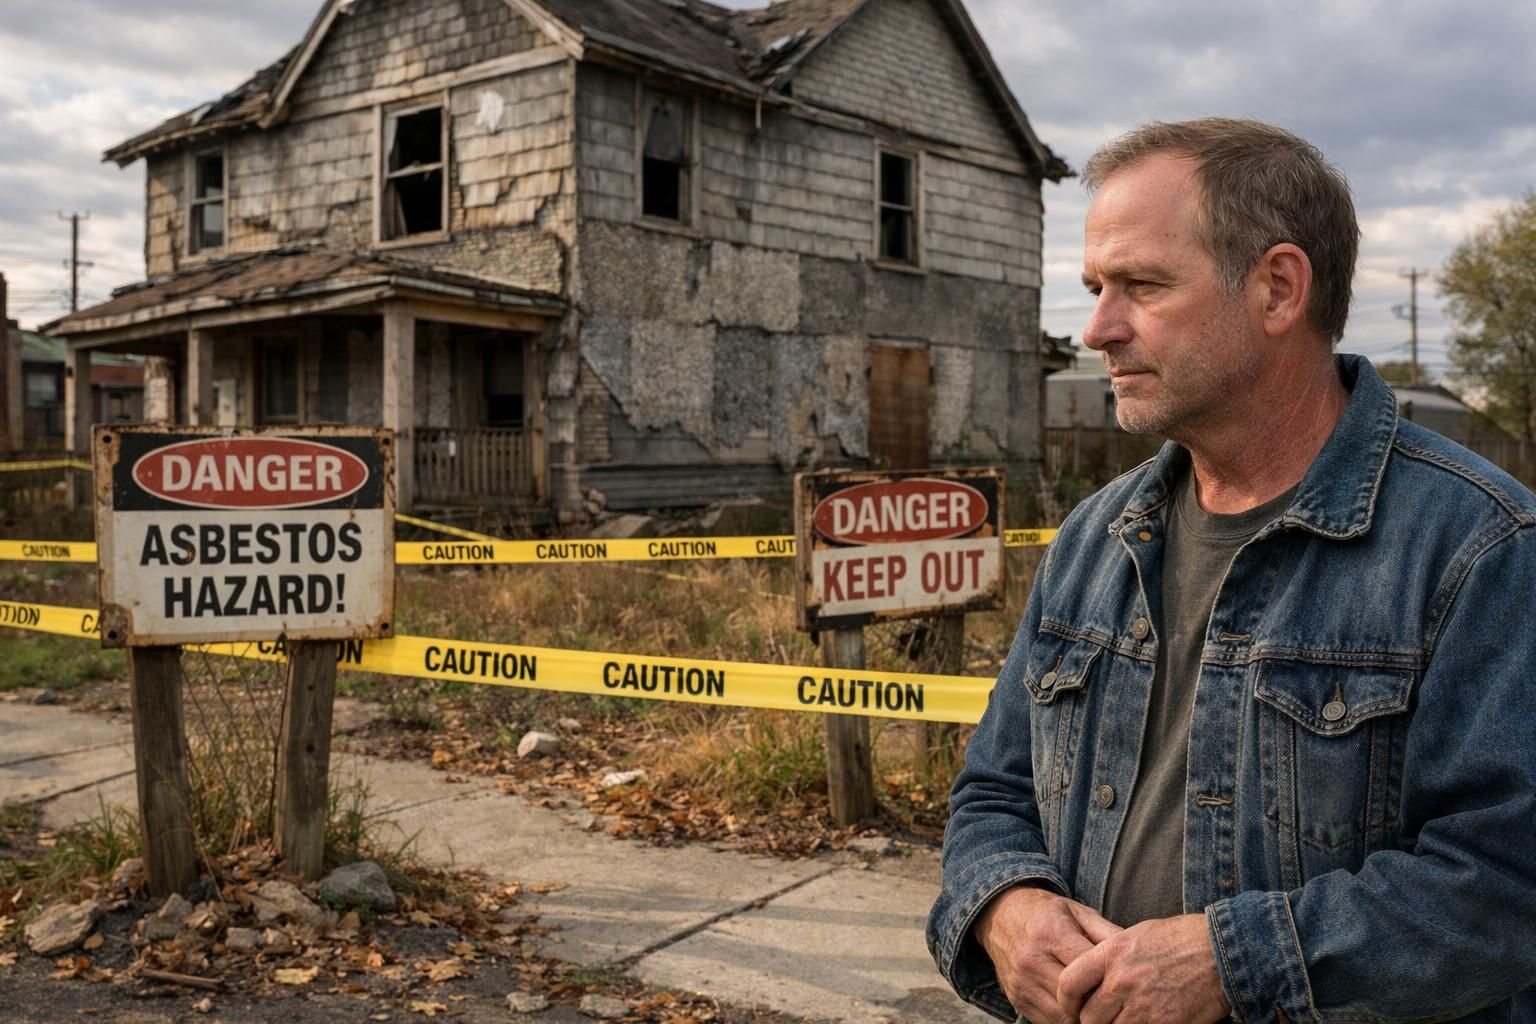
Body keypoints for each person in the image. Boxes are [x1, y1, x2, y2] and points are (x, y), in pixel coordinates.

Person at [928, 117, 1536, 1024]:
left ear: (1278, 289)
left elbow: (1504, 883)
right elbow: (995, 789)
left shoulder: (1480, 547)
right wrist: (1004, 905)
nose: (1097, 328)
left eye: (1140, 285)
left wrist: (1231, 965)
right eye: (1097, 287)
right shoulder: (1097, 536)